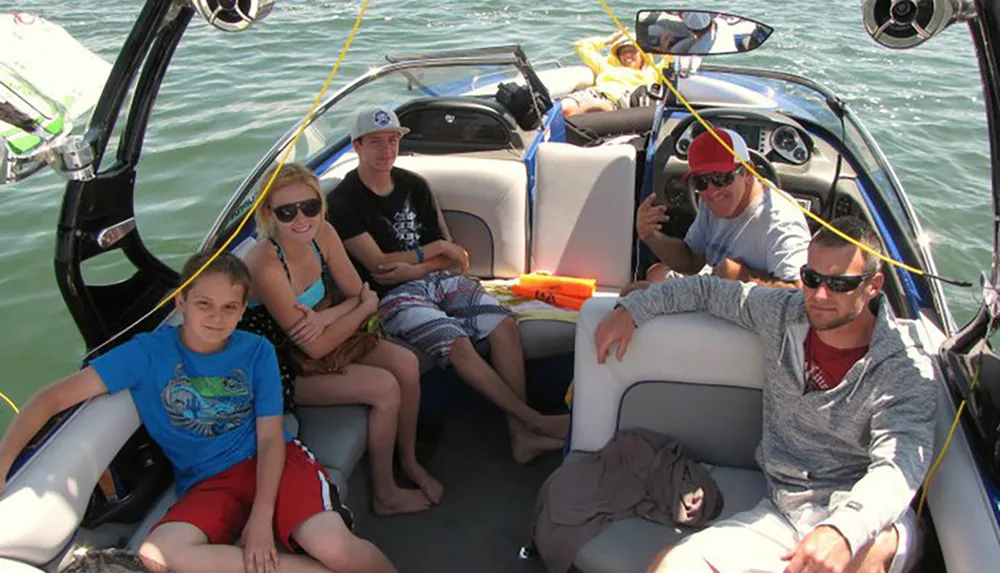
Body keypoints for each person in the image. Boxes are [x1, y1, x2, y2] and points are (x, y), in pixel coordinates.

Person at [0, 251, 396, 573]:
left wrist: (262, 518)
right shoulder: (146, 354)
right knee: (162, 555)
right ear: (181, 302)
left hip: (273, 462)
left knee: (336, 548)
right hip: (208, 481)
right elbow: (49, 400)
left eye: (229, 307)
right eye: (204, 304)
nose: (216, 317)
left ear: (242, 311)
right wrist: (2, 465)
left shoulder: (255, 351)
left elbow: (271, 436)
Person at [595, 216, 937, 573]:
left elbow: (897, 467)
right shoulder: (781, 312)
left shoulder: (903, 366)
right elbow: (706, 290)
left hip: (866, 515)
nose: (819, 295)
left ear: (873, 286)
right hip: (786, 510)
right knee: (673, 565)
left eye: (839, 284)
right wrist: (633, 310)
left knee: (872, 553)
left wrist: (843, 530)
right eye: (812, 278)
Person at [327, 106, 568, 465]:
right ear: (357, 146)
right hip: (392, 297)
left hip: (439, 280)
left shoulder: (414, 185)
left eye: (392, 140)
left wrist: (428, 258)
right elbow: (379, 266)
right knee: (456, 342)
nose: (386, 149)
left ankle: (522, 438)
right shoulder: (343, 200)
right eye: (375, 142)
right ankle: (531, 419)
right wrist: (436, 250)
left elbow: (454, 257)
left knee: (503, 327)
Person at [240, 162, 441, 515]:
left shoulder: (323, 234)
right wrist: (361, 307)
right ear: (268, 215)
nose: (302, 219)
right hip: (280, 365)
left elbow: (356, 292)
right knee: (384, 387)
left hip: (324, 335)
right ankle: (385, 493)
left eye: (310, 206)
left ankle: (408, 459)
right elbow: (314, 344)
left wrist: (328, 315)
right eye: (287, 212)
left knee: (406, 364)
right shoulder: (266, 264)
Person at [623, 128, 810, 295]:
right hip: (715, 295)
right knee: (655, 274)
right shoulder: (709, 201)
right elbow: (691, 262)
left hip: (751, 316)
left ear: (747, 173)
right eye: (701, 181)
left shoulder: (779, 220)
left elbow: (802, 296)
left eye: (721, 178)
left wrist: (747, 279)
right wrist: (651, 236)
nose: (712, 191)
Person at [560, 31, 670, 117]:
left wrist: (665, 45)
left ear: (642, 54)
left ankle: (565, 124)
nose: (627, 55)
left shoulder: (653, 72)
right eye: (623, 52)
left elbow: (672, 58)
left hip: (614, 103)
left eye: (632, 51)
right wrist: (608, 40)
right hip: (592, 94)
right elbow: (582, 46)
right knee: (563, 108)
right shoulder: (607, 66)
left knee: (597, 107)